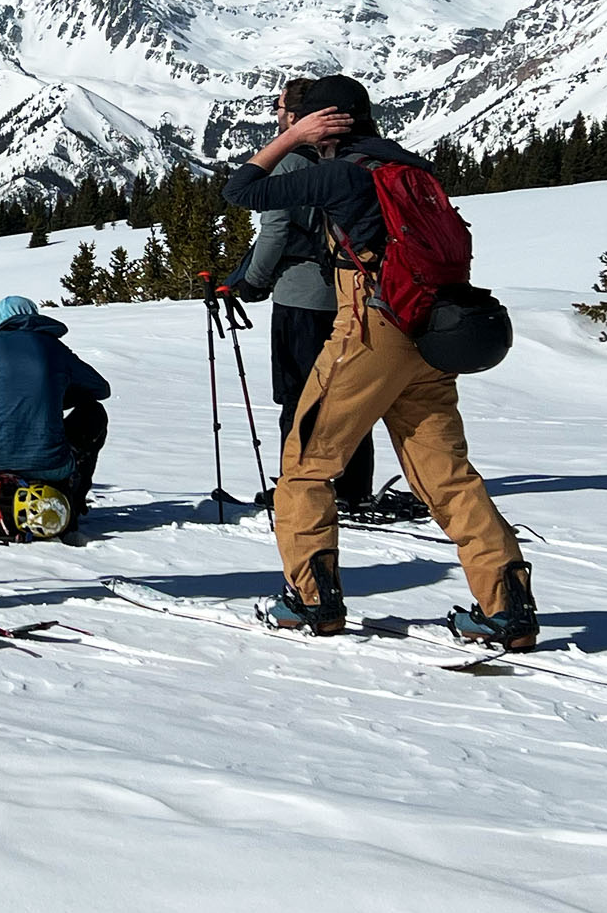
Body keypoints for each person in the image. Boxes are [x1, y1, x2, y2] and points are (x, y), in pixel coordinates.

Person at [222, 74, 537, 648]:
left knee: (306, 462)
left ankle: (312, 602)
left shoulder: (342, 173)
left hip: (371, 329)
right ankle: (507, 608)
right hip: (430, 332)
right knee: (448, 477)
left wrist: (288, 139)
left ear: (323, 123)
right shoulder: (409, 165)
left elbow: (241, 190)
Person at [221, 76, 381, 515]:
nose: (275, 116)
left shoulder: (290, 164)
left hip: (301, 296)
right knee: (348, 392)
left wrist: (251, 281)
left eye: (279, 110)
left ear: (295, 117)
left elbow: (273, 232)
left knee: (299, 396)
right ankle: (353, 485)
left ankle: (297, 486)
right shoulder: (358, 159)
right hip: (354, 295)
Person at [0, 295, 112, 531]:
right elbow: (100, 390)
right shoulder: (55, 349)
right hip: (52, 466)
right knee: (93, 413)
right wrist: (53, 395)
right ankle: (72, 499)